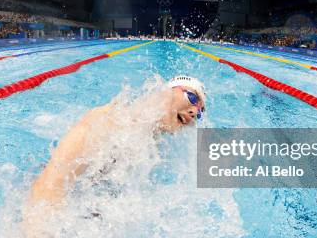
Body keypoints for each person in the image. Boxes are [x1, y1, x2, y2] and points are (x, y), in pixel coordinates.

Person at [28, 75, 206, 207]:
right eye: (192, 97)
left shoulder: (149, 143)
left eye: (200, 111)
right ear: (166, 92)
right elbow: (46, 191)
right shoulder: (107, 121)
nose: (194, 112)